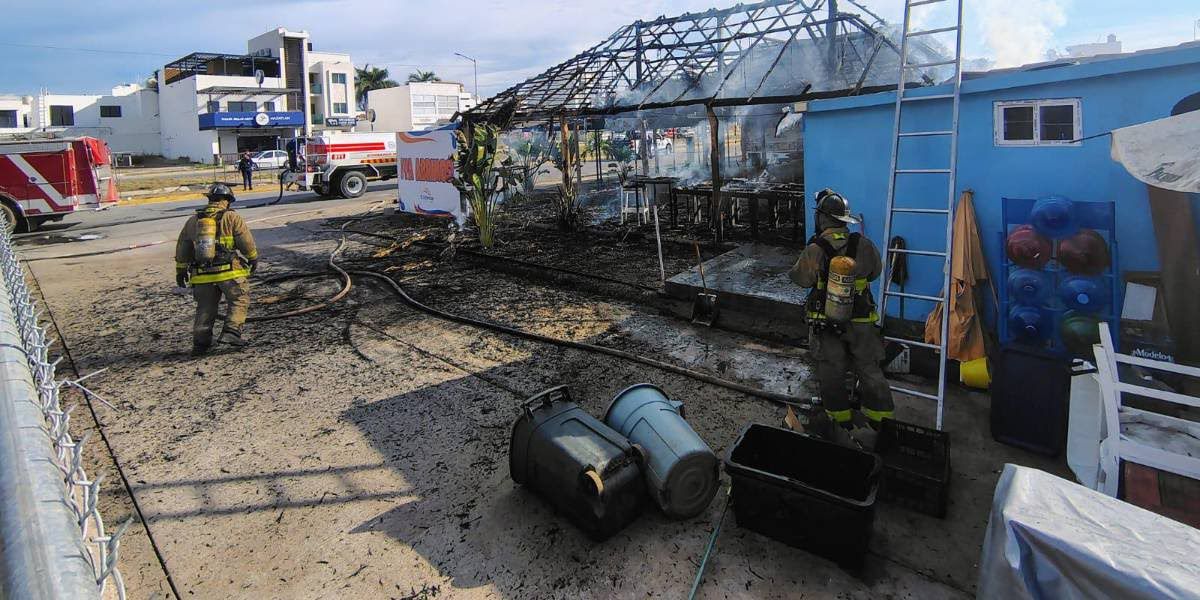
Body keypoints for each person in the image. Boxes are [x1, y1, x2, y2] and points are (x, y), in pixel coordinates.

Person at [789, 188, 894, 445]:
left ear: (822, 218)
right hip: (862, 321)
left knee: (832, 370)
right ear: (844, 220)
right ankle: (881, 422)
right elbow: (875, 273)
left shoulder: (816, 248)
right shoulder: (863, 244)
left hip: (827, 322)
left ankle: (839, 421)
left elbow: (801, 279)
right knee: (869, 368)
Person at [175, 183, 258, 356]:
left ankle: (200, 344)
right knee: (239, 298)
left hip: (202, 275)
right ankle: (231, 332)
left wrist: (181, 270)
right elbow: (245, 241)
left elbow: (183, 247)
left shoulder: (193, 221)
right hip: (229, 272)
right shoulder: (231, 218)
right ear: (227, 201)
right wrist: (253, 257)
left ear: (210, 200)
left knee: (205, 307)